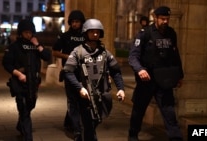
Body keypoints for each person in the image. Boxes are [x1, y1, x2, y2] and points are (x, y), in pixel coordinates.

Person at [63, 18, 125, 141]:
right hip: (84, 96)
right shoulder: (78, 52)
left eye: (97, 32)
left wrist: (121, 88)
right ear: (86, 33)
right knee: (88, 126)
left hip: (101, 95)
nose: (95, 34)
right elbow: (68, 72)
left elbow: (116, 71)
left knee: (94, 123)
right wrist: (79, 88)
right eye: (92, 32)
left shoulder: (105, 53)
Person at [128, 6, 184, 141]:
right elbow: (133, 56)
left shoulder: (171, 33)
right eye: (162, 19)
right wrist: (140, 69)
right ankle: (133, 135)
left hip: (164, 80)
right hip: (146, 80)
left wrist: (180, 75)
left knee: (169, 112)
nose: (165, 21)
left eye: (167, 19)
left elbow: (175, 56)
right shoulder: (145, 33)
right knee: (138, 111)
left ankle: (175, 138)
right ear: (155, 18)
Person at [2, 19, 51, 141]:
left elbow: (47, 57)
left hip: (33, 83)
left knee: (30, 105)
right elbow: (6, 63)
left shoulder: (35, 45)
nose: (28, 35)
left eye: (30, 32)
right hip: (20, 82)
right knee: (23, 108)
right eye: (26, 32)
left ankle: (20, 125)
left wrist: (38, 45)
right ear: (21, 33)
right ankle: (28, 137)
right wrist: (18, 74)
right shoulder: (14, 47)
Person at [52, 10, 85, 137]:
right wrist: (69, 56)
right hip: (69, 72)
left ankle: (69, 121)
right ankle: (76, 128)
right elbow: (54, 52)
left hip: (83, 72)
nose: (75, 24)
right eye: (73, 22)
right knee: (72, 100)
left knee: (80, 100)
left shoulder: (86, 36)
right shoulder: (65, 36)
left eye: (77, 22)